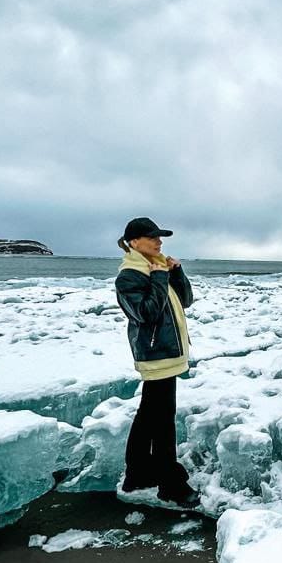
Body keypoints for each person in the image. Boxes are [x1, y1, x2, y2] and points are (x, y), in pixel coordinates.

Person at [114, 216, 199, 507]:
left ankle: (137, 474)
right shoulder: (130, 276)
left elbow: (185, 300)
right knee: (163, 421)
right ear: (134, 242)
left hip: (167, 354)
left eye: (160, 237)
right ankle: (170, 485)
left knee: (149, 416)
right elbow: (147, 313)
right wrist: (160, 277)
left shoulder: (157, 266)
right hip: (156, 355)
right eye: (153, 238)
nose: (159, 242)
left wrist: (175, 273)